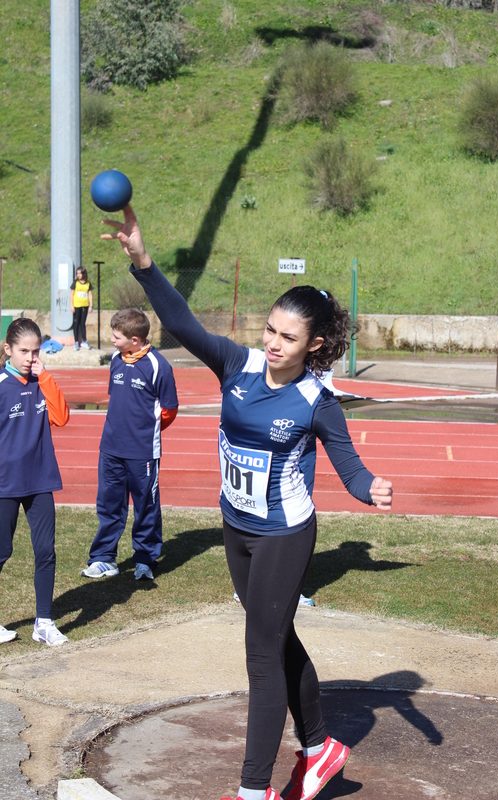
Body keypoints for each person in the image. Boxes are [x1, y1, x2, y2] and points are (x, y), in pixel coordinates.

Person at [101, 206, 393, 800]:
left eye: (289, 337)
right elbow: (183, 326)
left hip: (285, 534)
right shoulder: (239, 365)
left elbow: (351, 468)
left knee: (261, 655)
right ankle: (321, 747)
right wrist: (143, 261)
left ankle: (252, 789)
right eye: (271, 330)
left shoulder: (317, 400)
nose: (275, 343)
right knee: (278, 636)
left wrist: (371, 489)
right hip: (235, 527)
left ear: (313, 343)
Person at [81, 308, 179, 581]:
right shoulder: (115, 358)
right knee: (109, 505)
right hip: (110, 448)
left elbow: (169, 410)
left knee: (145, 506)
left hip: (142, 453)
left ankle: (145, 559)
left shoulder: (159, 366)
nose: (111, 339)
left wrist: (146, 433)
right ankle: (103, 558)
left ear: (135, 340)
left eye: (116, 336)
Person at [0, 318, 70, 646]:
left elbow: (61, 417)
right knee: (2, 551)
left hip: (41, 479)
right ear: (7, 350)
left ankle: (43, 622)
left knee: (45, 551)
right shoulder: (1, 385)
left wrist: (45, 377)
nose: (30, 357)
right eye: (23, 351)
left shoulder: (41, 381)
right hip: (5, 484)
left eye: (35, 351)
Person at [70, 266, 93, 350]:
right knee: (76, 323)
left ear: (83, 274)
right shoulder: (75, 283)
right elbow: (71, 294)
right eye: (77, 273)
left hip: (85, 306)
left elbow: (90, 294)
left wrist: (91, 306)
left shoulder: (88, 283)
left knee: (82, 324)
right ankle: (76, 342)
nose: (78, 275)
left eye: (80, 273)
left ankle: (84, 341)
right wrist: (71, 306)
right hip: (76, 306)